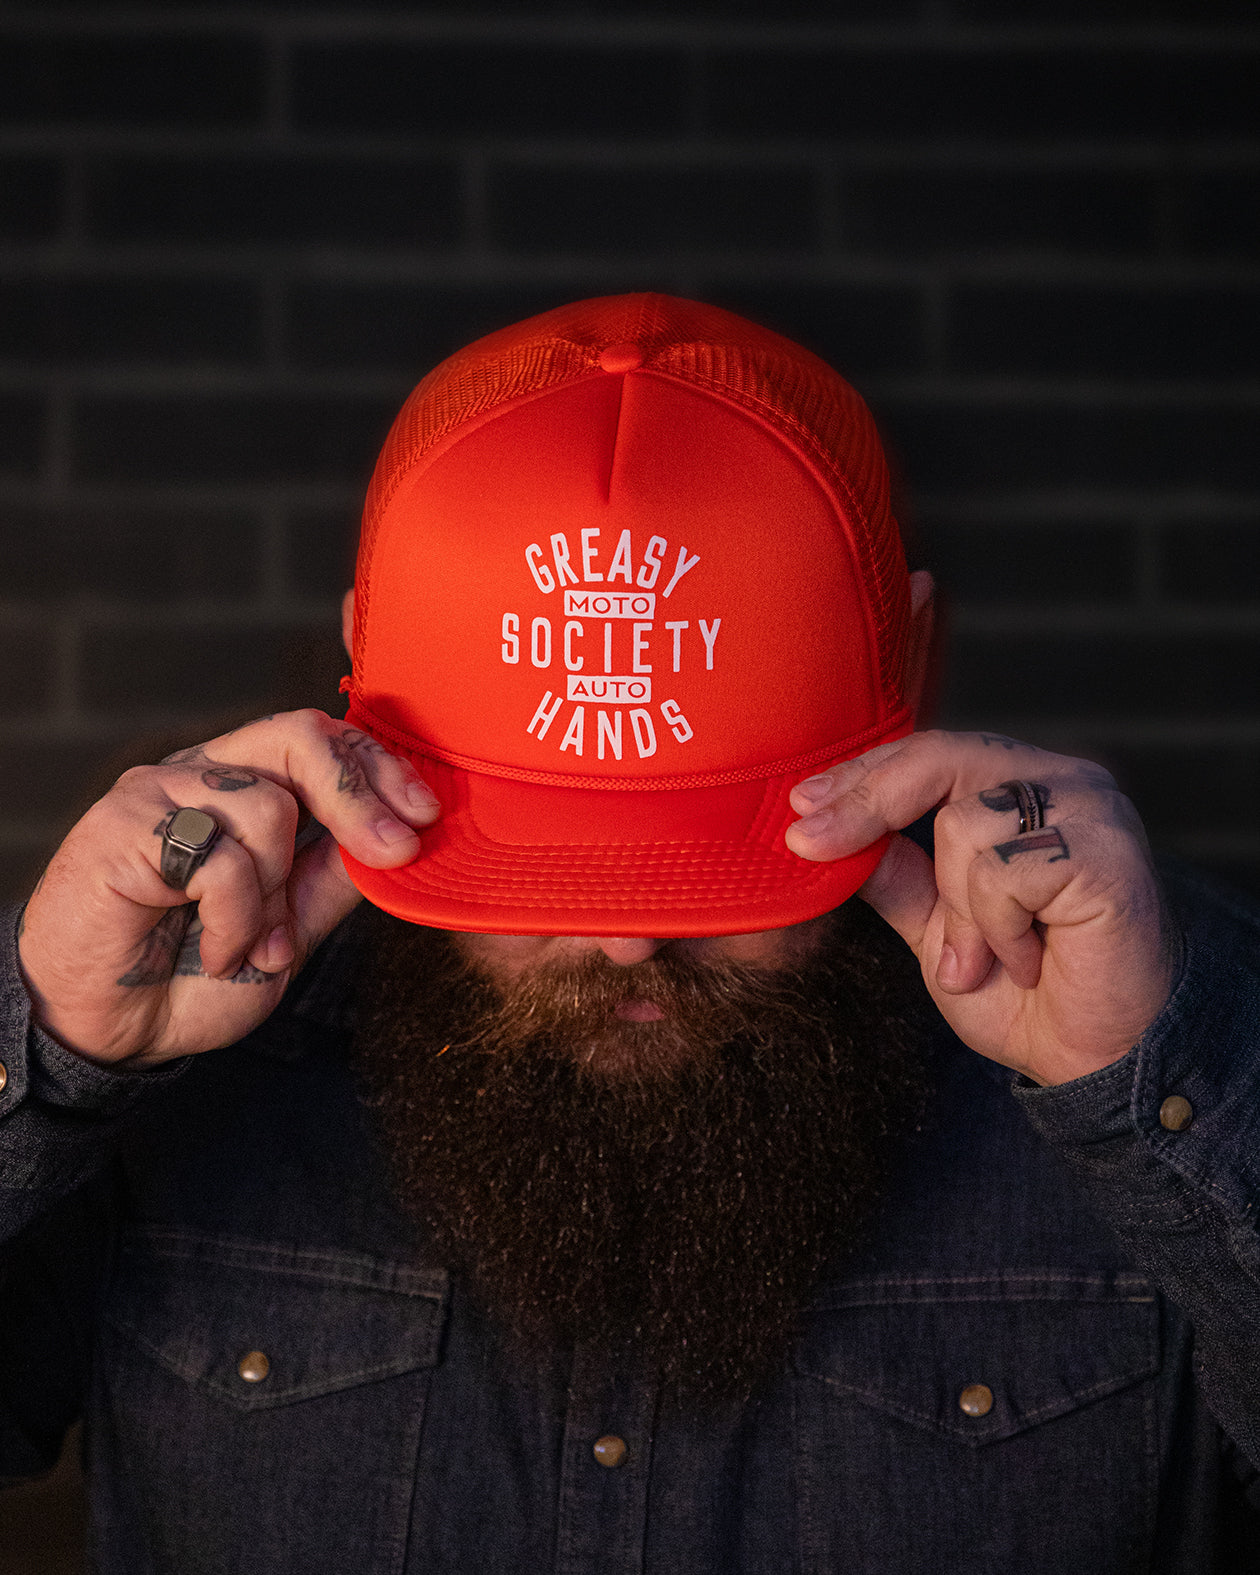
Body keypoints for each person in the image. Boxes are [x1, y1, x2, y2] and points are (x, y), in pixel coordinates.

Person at [3, 294, 1258, 1574]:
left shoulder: (1145, 1027)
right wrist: (47, 1050)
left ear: (913, 668)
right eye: (535, 868)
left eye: (719, 867)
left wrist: (1153, 1099)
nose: (626, 949)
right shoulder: (178, 1042)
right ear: (356, 677)